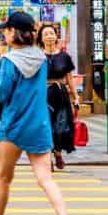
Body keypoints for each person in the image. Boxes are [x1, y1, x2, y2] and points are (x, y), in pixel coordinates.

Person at [0, 12, 71, 215]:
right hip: (39, 125)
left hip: (13, 126)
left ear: (14, 32)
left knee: (4, 177)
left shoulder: (8, 61)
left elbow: (1, 93)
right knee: (45, 178)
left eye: (6, 30)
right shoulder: (41, 58)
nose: (4, 33)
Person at [39, 24, 78, 171]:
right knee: (45, 126)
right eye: (46, 34)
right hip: (43, 95)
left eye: (51, 33)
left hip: (60, 95)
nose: (49, 36)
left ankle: (58, 153)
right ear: (41, 39)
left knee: (61, 126)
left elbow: (69, 78)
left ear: (56, 36)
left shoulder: (64, 56)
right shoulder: (38, 57)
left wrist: (76, 97)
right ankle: (47, 158)